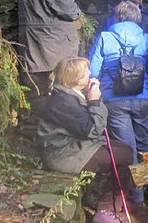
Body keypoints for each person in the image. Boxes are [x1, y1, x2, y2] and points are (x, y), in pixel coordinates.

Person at [37, 57, 139, 223]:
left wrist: (92, 100)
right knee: (123, 156)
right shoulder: (63, 102)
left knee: (125, 150)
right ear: (77, 80)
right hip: (63, 155)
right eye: (86, 73)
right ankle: (106, 211)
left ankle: (106, 202)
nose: (91, 74)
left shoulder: (68, 94)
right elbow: (92, 130)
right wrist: (95, 101)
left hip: (74, 147)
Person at [89, 1, 148, 203]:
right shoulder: (146, 38)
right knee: (143, 142)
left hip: (114, 100)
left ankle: (136, 195)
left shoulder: (105, 37)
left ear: (118, 17)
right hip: (142, 97)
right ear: (137, 18)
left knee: (127, 147)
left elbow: (94, 70)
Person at [18, 0, 81, 105]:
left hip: (31, 43)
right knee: (60, 92)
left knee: (38, 94)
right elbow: (69, 11)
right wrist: (78, 12)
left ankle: (36, 125)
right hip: (56, 46)